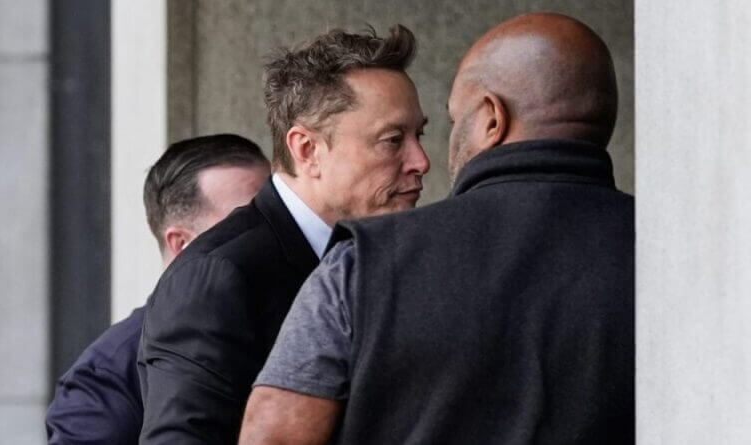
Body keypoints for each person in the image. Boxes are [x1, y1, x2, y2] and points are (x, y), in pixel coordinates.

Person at [241, 12, 634, 445]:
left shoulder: (365, 265)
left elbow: (273, 438)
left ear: (491, 118)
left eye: (452, 119)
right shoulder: (668, 260)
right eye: (394, 140)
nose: (425, 160)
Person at [138, 25, 430, 443]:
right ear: (307, 150)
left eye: (419, 135)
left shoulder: (400, 258)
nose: (421, 161)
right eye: (392, 140)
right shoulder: (217, 275)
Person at [45, 134, 270, 444]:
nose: (271, 234)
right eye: (243, 223)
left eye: (275, 215)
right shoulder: (107, 380)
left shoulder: (304, 318)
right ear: (182, 244)